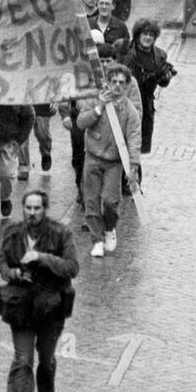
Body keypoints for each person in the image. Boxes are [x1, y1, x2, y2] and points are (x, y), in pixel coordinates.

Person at [0, 189, 79, 392]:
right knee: (22, 359)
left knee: (45, 361)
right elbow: (1, 263)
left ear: (45, 209)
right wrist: (14, 274)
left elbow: (72, 267)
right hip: (21, 306)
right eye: (28, 208)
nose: (32, 213)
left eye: (37, 208)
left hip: (50, 308)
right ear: (23, 209)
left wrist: (41, 258)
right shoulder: (12, 233)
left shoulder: (61, 233)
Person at [78, 62, 141, 258]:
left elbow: (134, 137)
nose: (117, 86)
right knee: (91, 201)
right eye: (113, 81)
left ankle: (110, 228)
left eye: (121, 82)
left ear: (126, 85)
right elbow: (81, 123)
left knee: (110, 201)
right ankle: (97, 240)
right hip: (93, 157)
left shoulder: (129, 111)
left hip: (114, 162)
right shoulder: (95, 100)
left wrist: (133, 165)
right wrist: (98, 108)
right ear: (108, 82)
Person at [117, 19, 176, 155]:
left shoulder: (160, 55)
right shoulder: (123, 47)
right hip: (123, 101)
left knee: (136, 148)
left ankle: (133, 175)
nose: (148, 38)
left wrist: (165, 77)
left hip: (144, 106)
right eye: (145, 34)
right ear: (138, 35)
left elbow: (163, 83)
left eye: (151, 35)